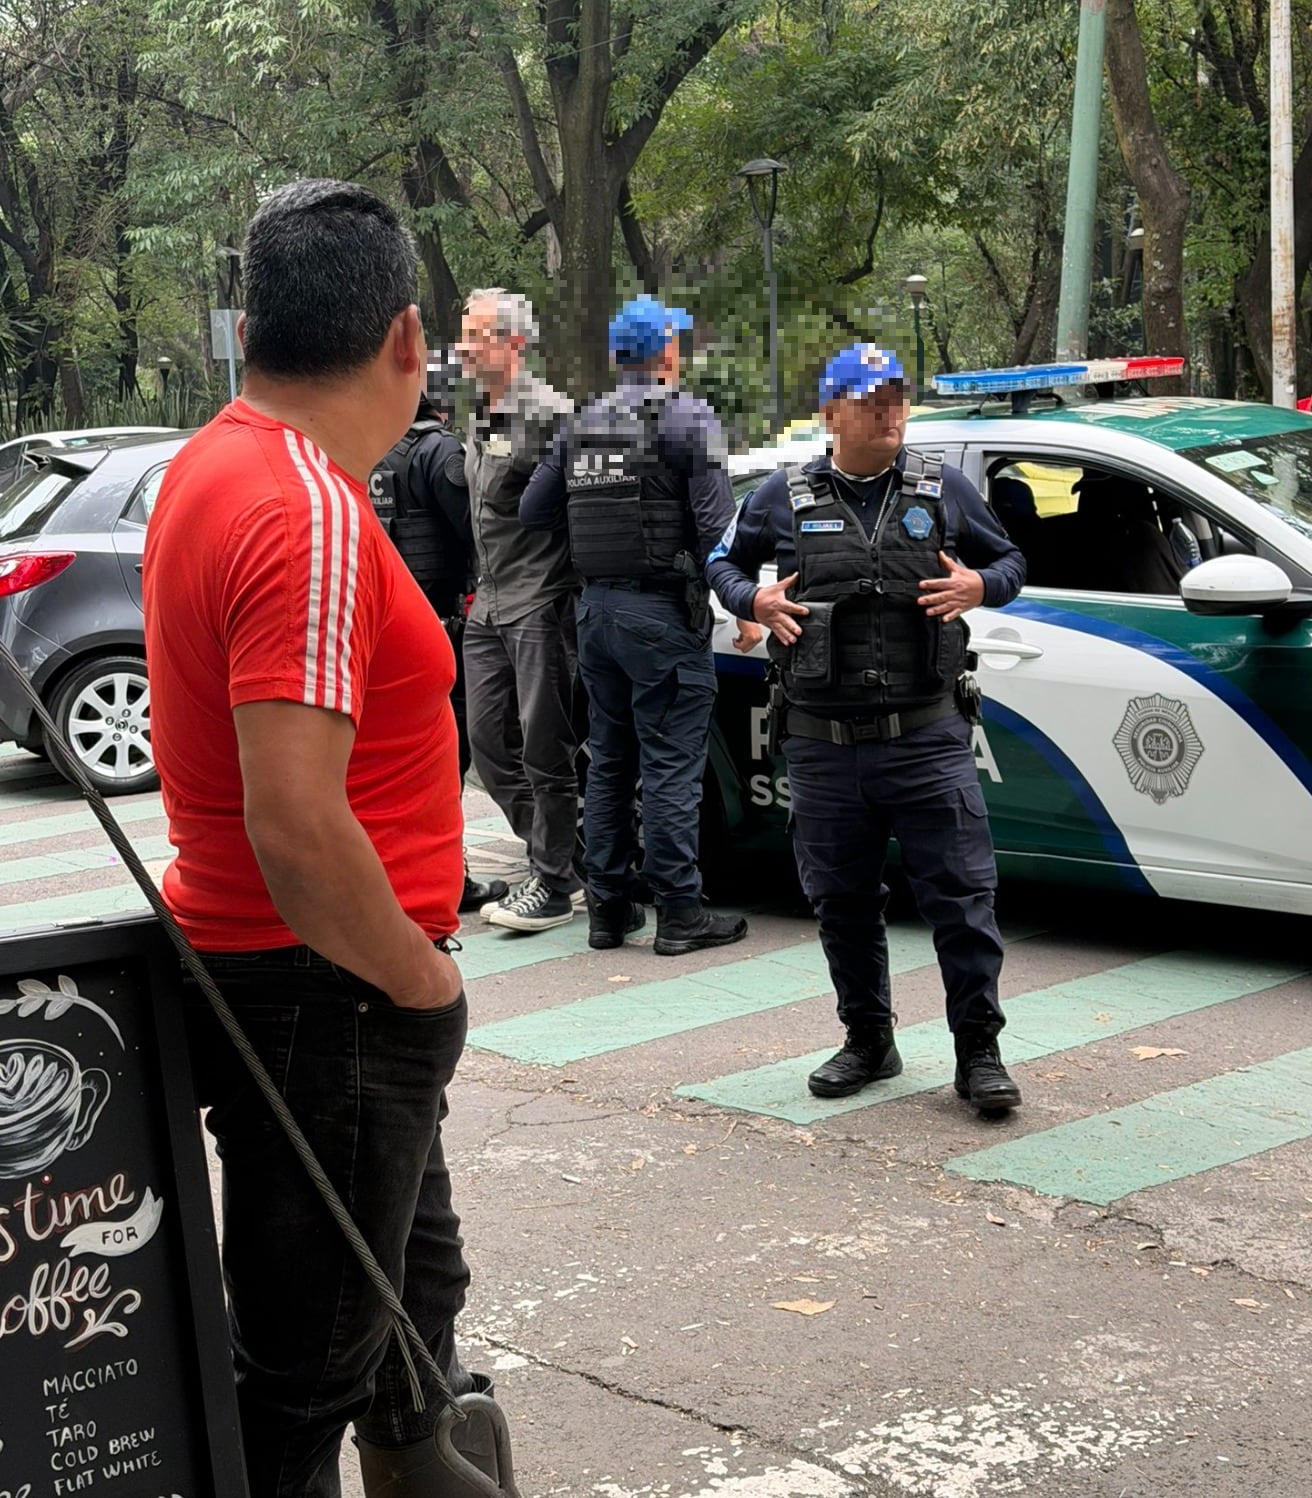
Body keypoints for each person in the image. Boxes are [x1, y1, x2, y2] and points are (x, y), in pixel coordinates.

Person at [142, 179, 504, 1498]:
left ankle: (430, 1467)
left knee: (414, 1297)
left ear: (251, 327)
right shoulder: (306, 509)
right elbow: (296, 820)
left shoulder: (216, 457)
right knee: (303, 1377)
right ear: (407, 339)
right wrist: (418, 978)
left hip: (298, 981)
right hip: (332, 993)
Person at [707, 344, 1027, 1111]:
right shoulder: (779, 498)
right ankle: (868, 1041)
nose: (890, 413)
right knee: (842, 901)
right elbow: (720, 564)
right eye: (871, 400)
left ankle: (978, 1051)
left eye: (897, 399)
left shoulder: (941, 488)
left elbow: (1010, 560)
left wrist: (982, 584)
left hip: (927, 734)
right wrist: (752, 602)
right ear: (832, 413)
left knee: (962, 899)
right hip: (822, 743)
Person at [520, 295, 748, 955]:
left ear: (619, 357)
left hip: (596, 616)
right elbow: (717, 532)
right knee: (672, 765)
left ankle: (608, 912)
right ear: (668, 352)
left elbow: (535, 511)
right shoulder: (689, 418)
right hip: (661, 617)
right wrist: (744, 604)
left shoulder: (580, 426)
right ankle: (680, 914)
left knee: (612, 763)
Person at [457, 288, 581, 932]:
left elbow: (576, 515)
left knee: (543, 745)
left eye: (478, 335)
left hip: (540, 599)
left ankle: (555, 881)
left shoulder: (551, 416)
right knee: (485, 741)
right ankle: (567, 858)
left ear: (514, 343)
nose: (466, 347)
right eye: (465, 335)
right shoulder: (477, 413)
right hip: (490, 600)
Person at [370, 355, 509, 914]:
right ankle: (452, 875)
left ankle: (407, 873)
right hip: (442, 622)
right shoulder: (439, 452)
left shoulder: (378, 452)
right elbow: (476, 531)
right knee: (446, 755)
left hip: (392, 620)